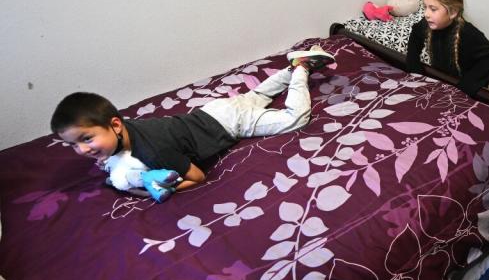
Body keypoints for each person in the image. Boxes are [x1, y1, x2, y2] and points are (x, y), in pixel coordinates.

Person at [50, 47, 333, 199]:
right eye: (73, 145)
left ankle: (300, 68)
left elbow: (197, 176)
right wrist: (106, 157)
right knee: (256, 95)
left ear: (114, 125)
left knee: (294, 119)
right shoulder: (128, 128)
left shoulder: (154, 151)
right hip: (211, 111)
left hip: (227, 122)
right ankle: (291, 68)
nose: (83, 150)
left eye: (87, 139)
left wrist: (146, 190)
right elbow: (121, 151)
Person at [405, 0, 489, 97]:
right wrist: (414, 67)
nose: (426, 14)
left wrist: (464, 88)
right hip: (443, 83)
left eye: (433, 9)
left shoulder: (467, 33)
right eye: (425, 7)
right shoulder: (426, 24)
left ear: (453, 12)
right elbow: (415, 34)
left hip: (465, 91)